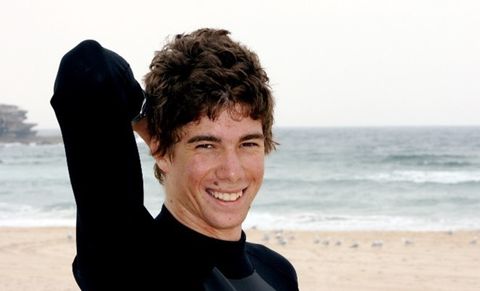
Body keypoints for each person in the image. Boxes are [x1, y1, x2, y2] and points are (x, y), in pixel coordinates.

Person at [51, 28, 298, 290]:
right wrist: (151, 126)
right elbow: (87, 69)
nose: (232, 172)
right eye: (206, 145)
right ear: (161, 150)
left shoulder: (277, 271)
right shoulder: (131, 264)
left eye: (247, 143)